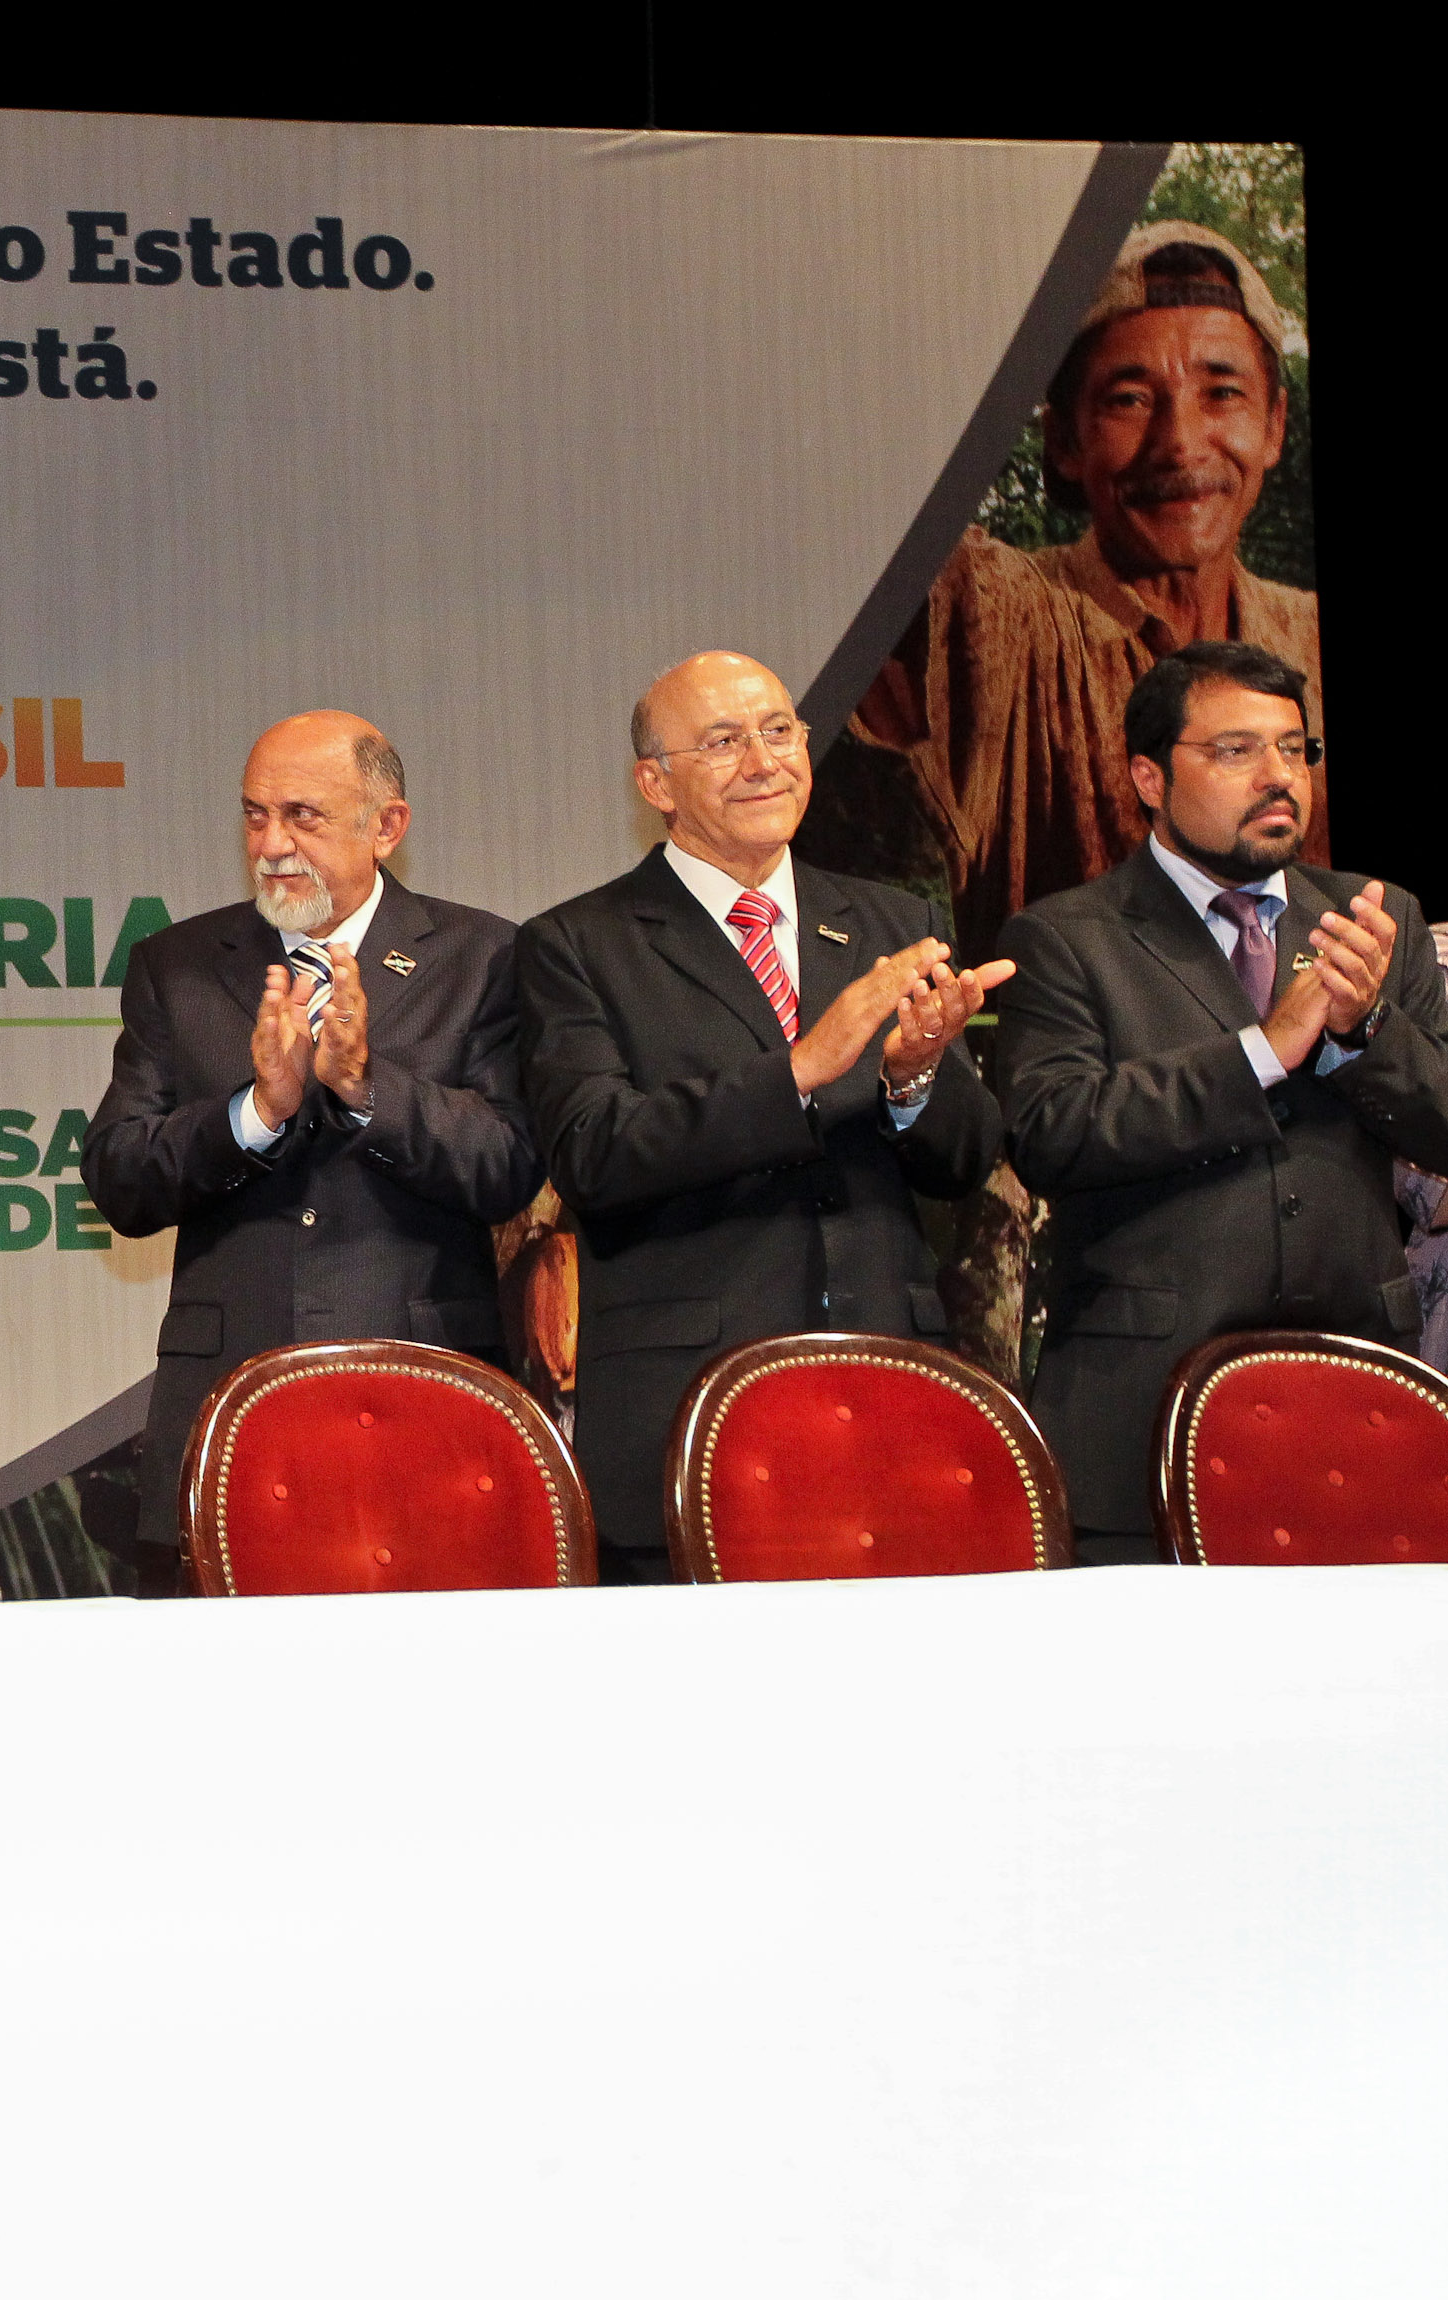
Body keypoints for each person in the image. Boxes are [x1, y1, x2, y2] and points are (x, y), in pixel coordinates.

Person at [518, 652, 1010, 1580]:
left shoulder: (884, 917)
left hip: (888, 1387)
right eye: (722, 741)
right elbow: (593, 1152)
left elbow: (968, 1154)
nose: (762, 760)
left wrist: (913, 1078)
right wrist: (801, 1071)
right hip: (688, 1413)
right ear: (654, 782)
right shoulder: (576, 943)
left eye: (778, 731)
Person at [989, 642, 1448, 1562]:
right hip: (1140, 1415)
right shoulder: (1065, 937)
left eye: (1294, 749)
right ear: (1148, 777)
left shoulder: (1370, 917)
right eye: (1237, 751)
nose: (1278, 777)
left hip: (1358, 1401)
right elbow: (1051, 1131)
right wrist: (1263, 1053)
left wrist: (1363, 1035)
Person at [81, 709, 542, 1592]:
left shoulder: (483, 955)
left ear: (388, 825)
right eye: (255, 815)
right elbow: (119, 1178)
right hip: (227, 1401)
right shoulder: (178, 964)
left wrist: (369, 1089)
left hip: (422, 1394)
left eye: (304, 815)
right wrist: (258, 1109)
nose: (273, 844)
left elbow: (510, 1163)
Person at [807, 222, 1320, 959]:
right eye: (1130, 399)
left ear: (1272, 427)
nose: (1180, 441)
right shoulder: (1011, 614)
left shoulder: (1307, 634)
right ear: (1065, 442)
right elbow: (879, 505)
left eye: (1222, 392)